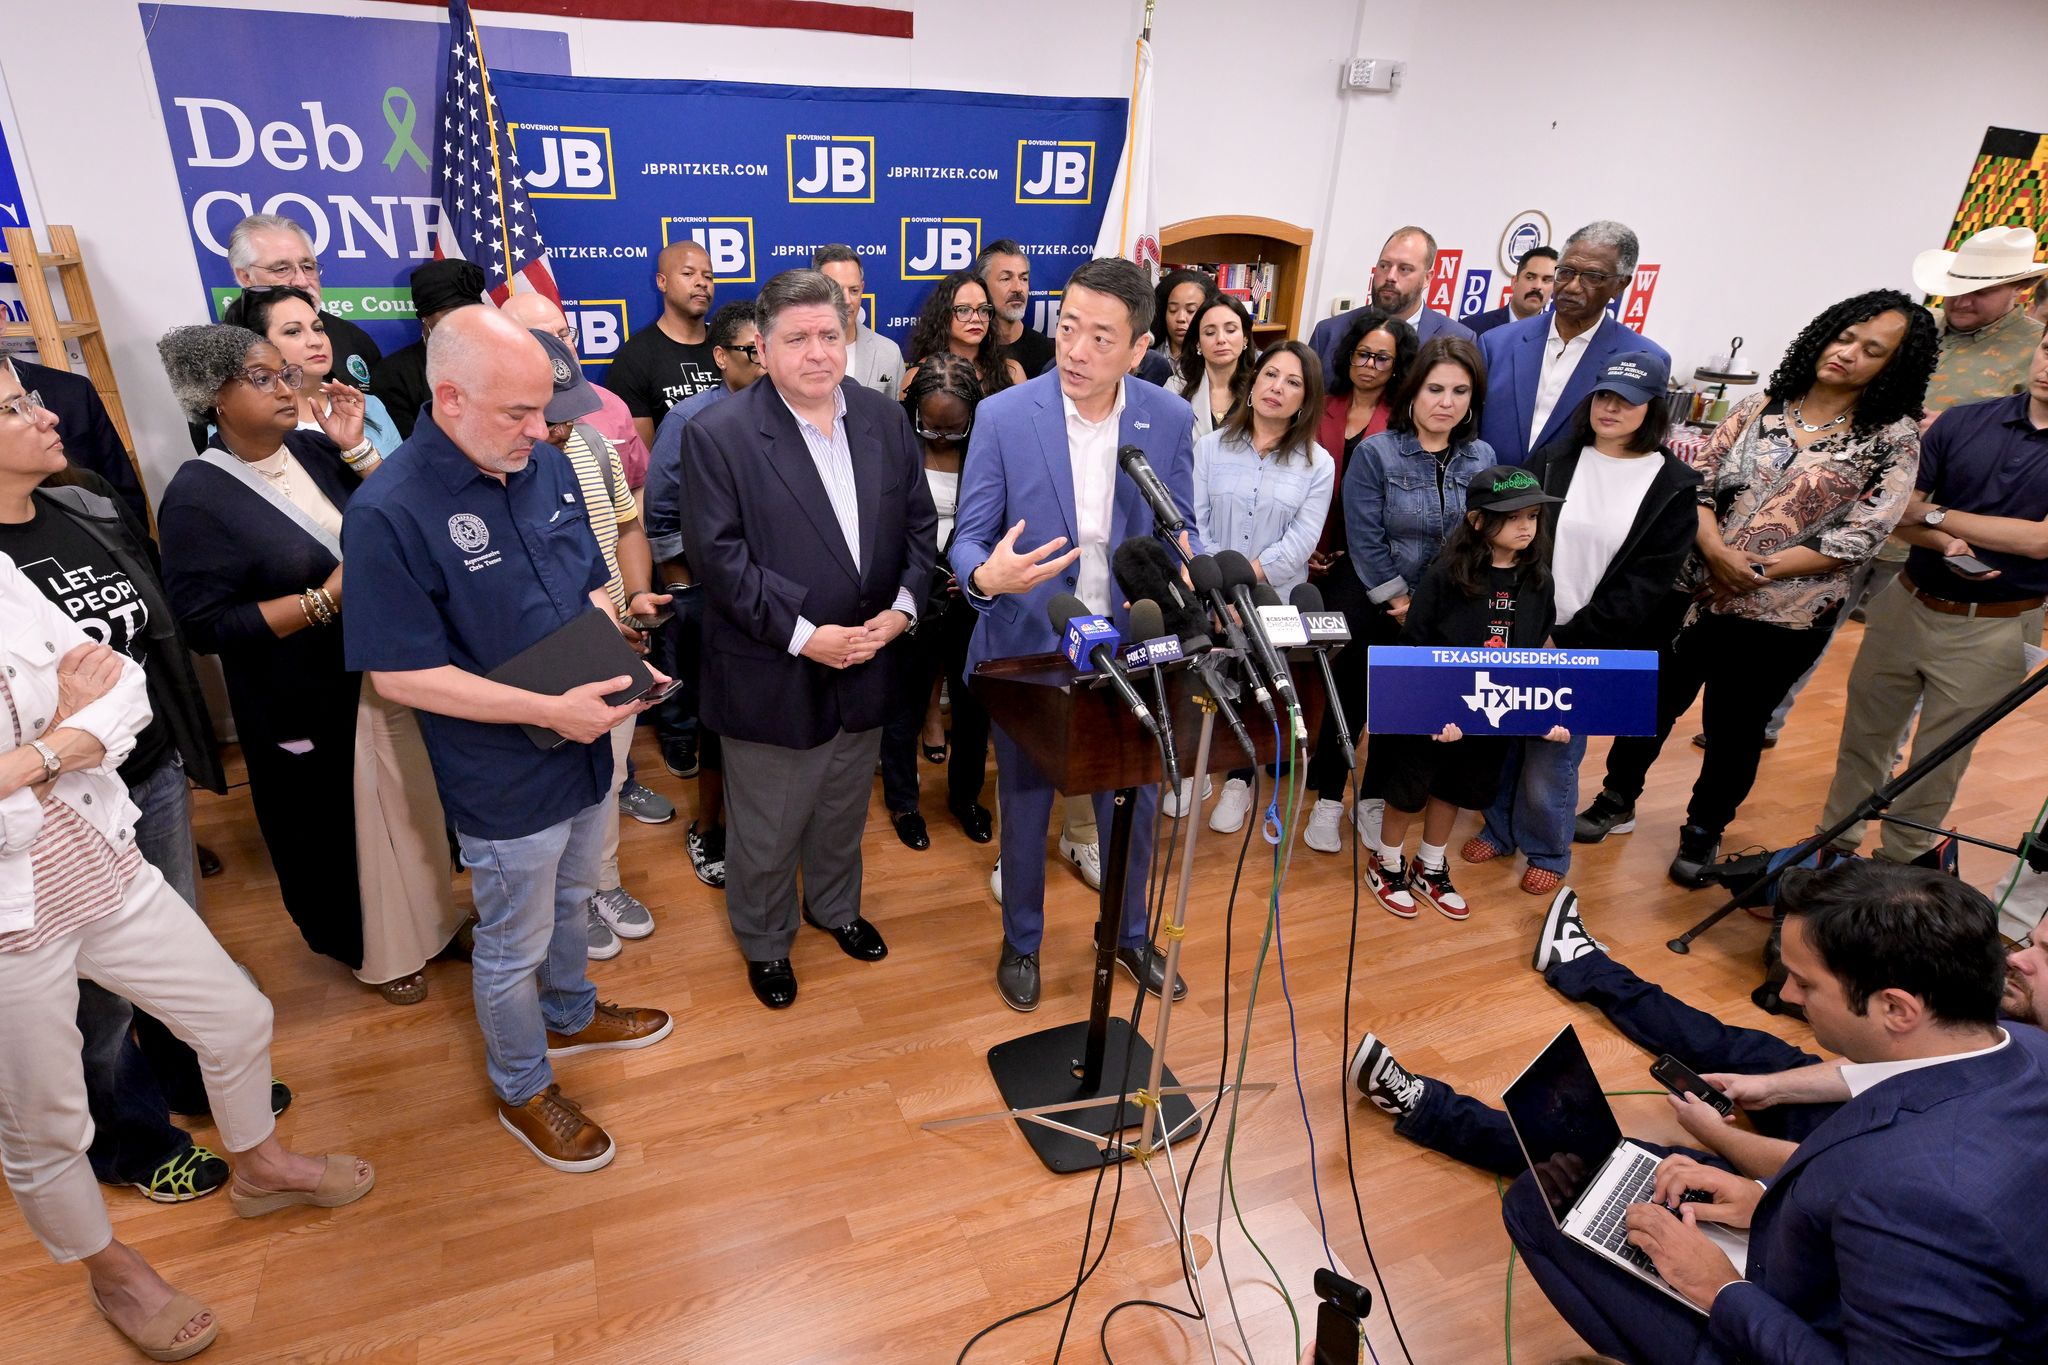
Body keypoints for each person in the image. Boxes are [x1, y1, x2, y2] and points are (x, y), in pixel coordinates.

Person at [0, 549, 372, 1362]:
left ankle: (260, 1164)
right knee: (46, 1123)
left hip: (103, 863)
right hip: (6, 930)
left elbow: (123, 688)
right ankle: (112, 1270)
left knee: (236, 1017)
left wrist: (34, 758)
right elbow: (80, 728)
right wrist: (60, 743)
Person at [341, 307, 674, 1171]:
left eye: (546, 410)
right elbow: (400, 676)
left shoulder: (548, 467)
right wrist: (551, 711)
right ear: (449, 397)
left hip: (584, 738)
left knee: (572, 900)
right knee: (513, 938)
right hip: (498, 770)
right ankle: (524, 1085)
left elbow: (581, 598)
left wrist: (624, 659)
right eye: (518, 414)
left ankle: (572, 1011)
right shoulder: (389, 511)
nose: (543, 429)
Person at [1501, 863, 2048, 1364]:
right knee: (1622, 1173)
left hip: (1789, 1325)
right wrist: (1768, 1202)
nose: (1786, 993)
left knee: (1536, 1201)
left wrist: (1720, 1291)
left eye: (1805, 982)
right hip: (1829, 1268)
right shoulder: (2020, 1045)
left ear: (1896, 1008)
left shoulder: (1921, 1196)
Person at [1577, 290, 1936, 885]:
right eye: (1844, 336)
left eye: (1871, 350)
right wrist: (1716, 551)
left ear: (1892, 366)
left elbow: (1862, 534)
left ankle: (1703, 829)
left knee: (1735, 729)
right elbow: (1692, 484)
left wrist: (1759, 571)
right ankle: (1616, 798)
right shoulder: (1758, 406)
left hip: (1783, 616)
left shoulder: (1892, 438)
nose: (1847, 354)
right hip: (1692, 594)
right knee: (1652, 705)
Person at [156, 325, 463, 1002]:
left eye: (285, 373)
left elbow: (402, 515)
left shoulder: (314, 451)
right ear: (214, 398)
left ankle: (436, 923)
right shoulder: (197, 496)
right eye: (263, 378)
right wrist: (323, 600)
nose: (285, 387)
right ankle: (375, 949)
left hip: (382, 668)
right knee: (338, 825)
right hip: (300, 696)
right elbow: (206, 626)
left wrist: (357, 446)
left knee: (412, 801)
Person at [0, 374, 239, 1207]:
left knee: (175, 957)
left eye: (30, 397)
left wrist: (102, 726)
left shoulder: (85, 503)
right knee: (92, 1003)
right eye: (14, 408)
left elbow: (140, 662)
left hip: (146, 774)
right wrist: (61, 740)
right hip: (47, 826)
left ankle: (191, 1075)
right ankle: (131, 1135)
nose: (46, 413)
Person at [682, 269, 937, 1011]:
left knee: (840, 810)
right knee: (767, 828)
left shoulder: (885, 419)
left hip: (869, 657)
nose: (817, 352)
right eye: (797, 339)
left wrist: (903, 610)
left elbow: (920, 529)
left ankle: (836, 907)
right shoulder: (718, 436)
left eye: (831, 334)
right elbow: (720, 563)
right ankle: (766, 941)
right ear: (761, 347)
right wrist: (804, 635)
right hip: (772, 668)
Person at [950, 256, 1196, 1012]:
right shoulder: (1003, 415)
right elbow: (967, 540)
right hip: (1031, 641)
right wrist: (987, 578)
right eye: (1069, 328)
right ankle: (1022, 939)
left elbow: (1178, 526)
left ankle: (1125, 934)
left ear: (1137, 345)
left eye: (1100, 337)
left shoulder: (1170, 417)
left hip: (1133, 644)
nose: (1076, 350)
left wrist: (1185, 572)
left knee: (1141, 803)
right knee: (1025, 803)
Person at [1753, 226, 2048, 738]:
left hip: (1928, 536)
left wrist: (1947, 432)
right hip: (1846, 511)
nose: (1963, 301)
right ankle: (1759, 722)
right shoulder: (1913, 332)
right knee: (1802, 624)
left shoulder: (2033, 350)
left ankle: (1881, 762)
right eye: (1957, 287)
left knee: (1897, 678)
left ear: (2016, 292)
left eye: (1980, 291)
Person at [1465, 353, 1700, 894]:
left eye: (1628, 400)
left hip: (1590, 642)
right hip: (1519, 625)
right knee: (1502, 734)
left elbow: (1645, 586)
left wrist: (1567, 637)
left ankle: (1548, 848)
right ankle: (1499, 830)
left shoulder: (1672, 485)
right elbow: (1510, 535)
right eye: (1604, 395)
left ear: (1654, 409)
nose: (1611, 407)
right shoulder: (1554, 458)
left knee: (1554, 751)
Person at [1818, 332, 2048, 866]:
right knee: (1863, 741)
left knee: (1938, 762)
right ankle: (1832, 852)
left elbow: (2039, 542)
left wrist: (1939, 515)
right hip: (1908, 602)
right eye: (2047, 350)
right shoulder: (1966, 421)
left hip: (1995, 626)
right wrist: (1940, 531)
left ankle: (1899, 868)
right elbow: (1898, 513)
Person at [1359, 466, 1561, 922]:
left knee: (1455, 788)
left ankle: (1431, 865)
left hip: (1492, 712)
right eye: (1512, 517)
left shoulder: (1539, 580)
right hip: (1435, 710)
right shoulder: (1446, 576)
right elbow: (1414, 644)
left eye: (1532, 515)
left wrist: (1552, 706)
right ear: (1476, 522)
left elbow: (1540, 647)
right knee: (1409, 790)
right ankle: (1387, 861)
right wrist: (1429, 709)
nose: (1526, 526)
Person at [526, 329, 670, 961]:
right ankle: (564, 900)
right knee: (549, 792)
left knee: (606, 777)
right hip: (532, 659)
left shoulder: (586, 444)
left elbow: (626, 526)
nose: (562, 429)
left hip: (607, 639)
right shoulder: (486, 468)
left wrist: (635, 594)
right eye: (550, 416)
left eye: (568, 414)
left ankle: (599, 885)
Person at [1340, 334, 1497, 848]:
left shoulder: (1482, 457)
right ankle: (1326, 798)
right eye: (1435, 388)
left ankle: (1375, 800)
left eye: (1459, 391)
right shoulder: (1376, 452)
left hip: (1450, 617)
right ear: (1413, 391)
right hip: (1379, 601)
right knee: (1352, 702)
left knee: (1403, 718)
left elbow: (1481, 541)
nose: (1445, 403)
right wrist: (1401, 602)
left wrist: (1439, 614)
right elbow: (1365, 537)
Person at [1184, 341, 1332, 834]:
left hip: (1273, 601)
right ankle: (1196, 770)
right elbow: (1194, 521)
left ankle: (1240, 783)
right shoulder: (1209, 446)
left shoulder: (1318, 463)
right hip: (1208, 593)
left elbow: (1301, 543)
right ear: (1253, 383)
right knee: (1204, 682)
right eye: (1271, 375)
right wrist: (1215, 583)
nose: (1277, 388)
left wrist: (1241, 582)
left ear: (1305, 400)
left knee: (1256, 691)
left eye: (1294, 382)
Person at [644, 299, 765, 888]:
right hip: (707, 596)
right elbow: (660, 510)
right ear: (721, 357)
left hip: (773, 601)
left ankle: (761, 824)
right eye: (751, 351)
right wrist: (681, 584)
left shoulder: (795, 414)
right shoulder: (691, 420)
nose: (765, 362)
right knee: (716, 720)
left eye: (771, 348)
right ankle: (708, 831)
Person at [1299, 311, 1417, 849]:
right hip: (1309, 556)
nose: (1368, 365)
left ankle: (1365, 796)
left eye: (1380, 357)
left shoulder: (1403, 419)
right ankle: (1320, 787)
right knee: (1326, 678)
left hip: (1369, 564)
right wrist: (1312, 550)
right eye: (1361, 353)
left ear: (1398, 367)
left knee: (1374, 682)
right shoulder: (1323, 404)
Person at [878, 354, 995, 851]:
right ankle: (904, 802)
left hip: (972, 596)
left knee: (973, 707)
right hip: (910, 595)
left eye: (954, 429)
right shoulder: (892, 445)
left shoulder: (991, 447)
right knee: (903, 706)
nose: (943, 438)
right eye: (933, 427)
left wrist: (972, 569)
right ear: (914, 412)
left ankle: (965, 797)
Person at [1475, 221, 1671, 465]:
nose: (1572, 286)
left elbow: (1638, 450)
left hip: (1572, 499)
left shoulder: (1642, 359)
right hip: (1487, 494)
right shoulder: (1497, 343)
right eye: (1566, 272)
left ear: (1620, 285)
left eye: (1593, 277)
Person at [499, 292, 654, 497]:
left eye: (564, 335)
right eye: (544, 339)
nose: (562, 347)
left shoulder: (610, 404)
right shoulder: (497, 423)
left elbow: (639, 487)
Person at [223, 286, 401, 456]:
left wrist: (358, 450)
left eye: (318, 328)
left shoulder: (369, 406)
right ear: (257, 346)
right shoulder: (236, 424)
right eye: (293, 331)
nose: (316, 341)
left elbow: (404, 483)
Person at [226, 212, 380, 389]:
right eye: (282, 269)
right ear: (245, 277)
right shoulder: (228, 351)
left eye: (308, 267)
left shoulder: (353, 338)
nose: (302, 281)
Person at [1309, 226, 1474, 386]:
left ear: (1427, 278)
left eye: (1405, 269)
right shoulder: (1329, 332)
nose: (1390, 276)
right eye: (1384, 265)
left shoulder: (1460, 339)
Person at [7, 355, 147, 528]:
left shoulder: (71, 390)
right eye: (14, 409)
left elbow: (125, 496)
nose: (50, 418)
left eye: (30, 400)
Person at [609, 239, 720, 446]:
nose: (702, 283)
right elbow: (645, 460)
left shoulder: (729, 347)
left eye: (708, 276)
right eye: (688, 274)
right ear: (662, 282)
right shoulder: (634, 359)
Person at [368, 259, 486, 442]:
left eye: (472, 312)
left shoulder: (496, 362)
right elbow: (404, 449)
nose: (465, 322)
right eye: (452, 313)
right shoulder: (393, 375)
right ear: (425, 318)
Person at [901, 270, 1026, 398]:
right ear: (943, 315)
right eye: (963, 310)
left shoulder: (1011, 372)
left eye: (983, 309)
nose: (976, 318)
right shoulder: (916, 377)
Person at [814, 243, 905, 396]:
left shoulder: (889, 353)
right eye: (836, 290)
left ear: (862, 289)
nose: (847, 300)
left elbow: (898, 416)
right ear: (816, 289)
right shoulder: (799, 352)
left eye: (854, 290)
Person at [1166, 292, 1257, 440]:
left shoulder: (1259, 386)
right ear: (1198, 343)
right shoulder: (1176, 388)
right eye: (1210, 333)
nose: (1221, 339)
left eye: (1230, 330)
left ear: (1245, 338)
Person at [976, 239, 1055, 379]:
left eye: (1023, 279)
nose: (1018, 288)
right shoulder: (968, 351)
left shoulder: (1050, 356)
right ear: (982, 286)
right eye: (1006, 279)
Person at [1464, 245, 1558, 337]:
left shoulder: (1556, 334)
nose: (1537, 286)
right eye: (1530, 277)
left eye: (1546, 280)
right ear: (1514, 282)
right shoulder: (1473, 328)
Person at [1148, 268, 1214, 378]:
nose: (1181, 318)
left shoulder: (1215, 356)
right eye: (1173, 310)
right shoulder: (1147, 355)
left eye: (1191, 310)